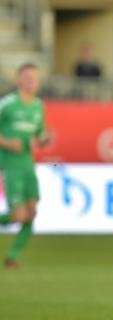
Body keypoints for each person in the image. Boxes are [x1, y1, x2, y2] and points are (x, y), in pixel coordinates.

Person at [0, 63, 52, 269]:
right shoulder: (7, 104)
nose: (32, 81)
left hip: (28, 165)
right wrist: (8, 143)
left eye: (35, 78)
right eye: (28, 77)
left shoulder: (39, 106)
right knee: (18, 215)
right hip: (11, 165)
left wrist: (45, 139)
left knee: (31, 213)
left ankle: (12, 257)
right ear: (18, 80)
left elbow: (40, 135)